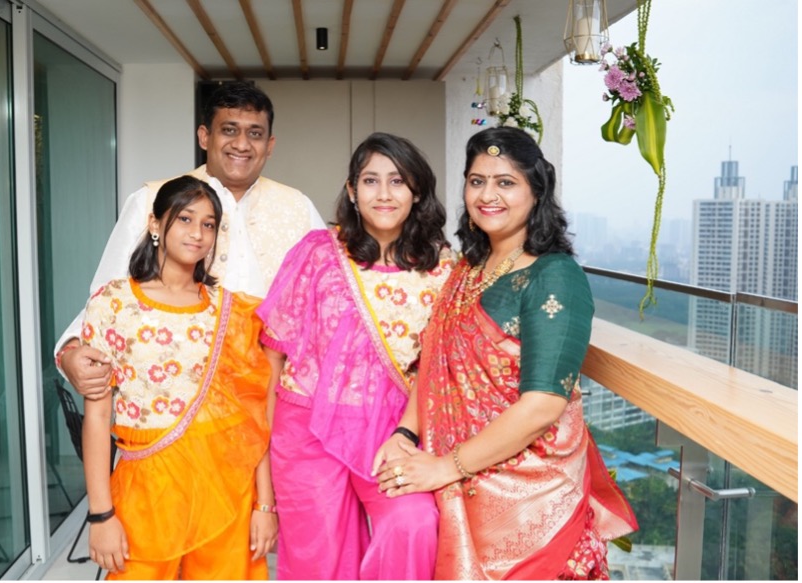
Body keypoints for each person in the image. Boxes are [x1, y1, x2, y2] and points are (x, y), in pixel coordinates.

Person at [372, 127, 638, 580]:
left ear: (537, 191)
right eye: (477, 181)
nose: (487, 195)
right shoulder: (469, 268)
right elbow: (434, 365)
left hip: (531, 502)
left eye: (506, 182)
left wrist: (445, 467)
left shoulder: (554, 276)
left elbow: (543, 405)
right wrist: (404, 431)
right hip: (461, 482)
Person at [256, 133, 455, 580]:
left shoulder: (442, 268)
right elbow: (271, 361)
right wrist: (261, 483)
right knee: (319, 560)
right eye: (370, 180)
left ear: (417, 191)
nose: (383, 193)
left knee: (413, 524)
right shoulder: (317, 252)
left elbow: (437, 366)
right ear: (351, 190)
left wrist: (409, 431)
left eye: (397, 181)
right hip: (305, 427)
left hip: (392, 431)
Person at [56, 80, 324, 397]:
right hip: (172, 396)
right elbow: (106, 297)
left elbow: (329, 305)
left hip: (272, 399)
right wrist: (70, 351)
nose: (242, 144)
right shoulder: (153, 200)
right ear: (204, 136)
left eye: (255, 133)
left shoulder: (299, 208)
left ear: (270, 144)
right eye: (229, 130)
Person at [80, 176, 276, 579]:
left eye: (208, 224)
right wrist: (100, 515)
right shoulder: (114, 304)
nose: (198, 233)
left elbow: (251, 419)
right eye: (185, 219)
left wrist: (264, 505)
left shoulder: (231, 312)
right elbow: (97, 416)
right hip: (147, 483)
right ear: (156, 223)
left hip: (224, 483)